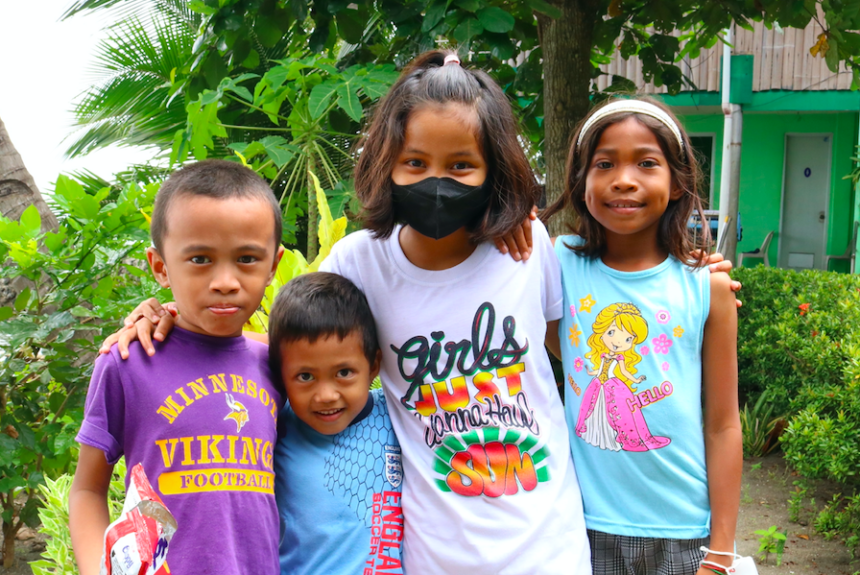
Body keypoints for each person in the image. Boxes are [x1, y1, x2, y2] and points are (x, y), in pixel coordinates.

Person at [544, 97, 742, 575]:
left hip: (684, 534)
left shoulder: (707, 285)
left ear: (677, 183)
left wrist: (721, 550)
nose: (624, 179)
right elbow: (563, 347)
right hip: (581, 525)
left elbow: (722, 425)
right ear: (581, 181)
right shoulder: (557, 263)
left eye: (647, 163)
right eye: (605, 163)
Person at [68, 160, 285, 575]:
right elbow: (87, 490)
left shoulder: (281, 369)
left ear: (273, 266)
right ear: (160, 267)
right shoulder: (128, 362)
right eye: (200, 259)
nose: (225, 280)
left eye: (246, 258)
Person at [268, 272, 404, 575]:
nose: (326, 395)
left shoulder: (398, 416)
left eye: (344, 372)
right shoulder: (275, 428)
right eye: (305, 376)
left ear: (374, 366)